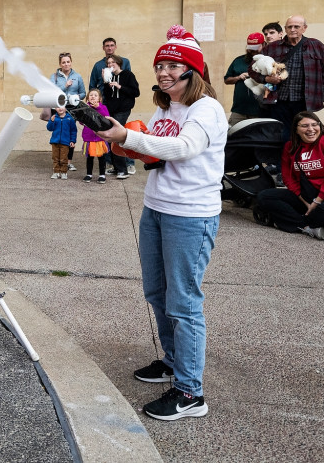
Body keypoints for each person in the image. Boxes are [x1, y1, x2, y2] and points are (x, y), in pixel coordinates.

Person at [97, 25, 226, 422]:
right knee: (156, 292)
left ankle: (190, 393)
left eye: (173, 65)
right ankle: (172, 362)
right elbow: (157, 155)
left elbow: (183, 149)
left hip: (190, 216)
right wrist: (123, 139)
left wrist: (129, 139)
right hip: (156, 208)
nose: (164, 72)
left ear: (193, 71)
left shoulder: (207, 110)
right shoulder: (166, 107)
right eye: (160, 65)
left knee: (183, 302)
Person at [255, 112, 324, 240]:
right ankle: (307, 226)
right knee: (264, 197)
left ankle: (293, 222)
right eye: (305, 126)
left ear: (320, 126)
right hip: (309, 195)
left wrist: (317, 201)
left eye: (314, 124)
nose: (311, 129)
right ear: (296, 129)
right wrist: (306, 202)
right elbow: (288, 177)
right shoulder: (290, 147)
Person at [250, 15, 324, 142]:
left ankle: (301, 162)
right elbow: (251, 69)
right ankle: (283, 162)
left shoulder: (316, 46)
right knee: (281, 137)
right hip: (279, 101)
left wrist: (321, 94)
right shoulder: (272, 47)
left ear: (304, 28)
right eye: (289, 27)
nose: (293, 29)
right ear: (285, 29)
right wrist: (266, 78)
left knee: (305, 135)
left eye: (296, 26)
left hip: (304, 101)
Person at [102, 54, 139, 179]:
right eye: (108, 63)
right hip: (112, 110)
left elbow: (135, 92)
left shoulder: (128, 75)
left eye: (112, 62)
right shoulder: (110, 76)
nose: (110, 65)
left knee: (116, 135)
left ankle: (123, 170)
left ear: (118, 63)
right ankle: (116, 167)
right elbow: (107, 95)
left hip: (123, 109)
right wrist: (105, 81)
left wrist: (119, 86)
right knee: (111, 137)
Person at [50, 52, 85, 170]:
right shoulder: (54, 76)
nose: (66, 64)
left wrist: (76, 98)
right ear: (60, 64)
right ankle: (58, 161)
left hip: (72, 108)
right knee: (59, 133)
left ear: (71, 62)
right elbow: (51, 92)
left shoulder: (77, 76)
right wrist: (65, 86)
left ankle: (68, 162)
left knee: (70, 134)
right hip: (58, 108)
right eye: (63, 62)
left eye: (68, 62)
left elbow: (83, 93)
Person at [224, 32, 265, 127]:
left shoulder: (266, 61)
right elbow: (227, 80)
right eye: (250, 48)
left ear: (263, 45)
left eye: (255, 48)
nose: (252, 51)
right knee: (232, 135)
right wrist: (238, 77)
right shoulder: (238, 61)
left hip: (259, 110)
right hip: (239, 110)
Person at [80, 89, 110, 183]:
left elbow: (107, 118)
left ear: (100, 99)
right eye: (91, 95)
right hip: (89, 137)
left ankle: (102, 175)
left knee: (102, 157)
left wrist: (98, 108)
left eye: (95, 95)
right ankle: (89, 174)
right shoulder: (85, 108)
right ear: (88, 98)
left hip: (100, 137)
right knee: (89, 157)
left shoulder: (103, 107)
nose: (93, 96)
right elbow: (81, 121)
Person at [46, 106, 77, 179]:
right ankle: (56, 172)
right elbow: (49, 128)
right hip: (55, 141)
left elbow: (73, 131)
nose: (60, 109)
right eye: (58, 107)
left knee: (63, 158)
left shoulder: (70, 119)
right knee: (55, 158)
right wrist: (51, 121)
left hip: (65, 142)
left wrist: (72, 141)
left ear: (66, 108)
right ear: (55, 108)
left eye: (62, 107)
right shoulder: (54, 117)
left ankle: (63, 172)